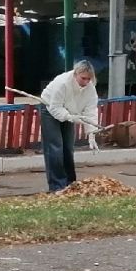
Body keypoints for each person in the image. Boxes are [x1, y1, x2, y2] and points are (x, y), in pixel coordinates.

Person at [38, 59, 98, 193]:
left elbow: (90, 111)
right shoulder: (62, 83)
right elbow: (55, 108)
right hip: (49, 109)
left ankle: (70, 183)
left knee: (68, 147)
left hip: (70, 112)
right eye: (83, 78)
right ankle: (57, 186)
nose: (86, 82)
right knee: (55, 146)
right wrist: (70, 117)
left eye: (89, 79)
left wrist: (91, 133)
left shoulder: (90, 88)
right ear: (76, 74)